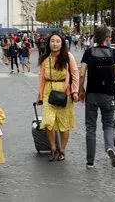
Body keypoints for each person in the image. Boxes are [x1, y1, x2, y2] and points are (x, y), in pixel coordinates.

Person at [78, 26, 115, 169]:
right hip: (108, 94)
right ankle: (109, 147)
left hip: (92, 94)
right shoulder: (113, 53)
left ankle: (90, 161)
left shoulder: (88, 52)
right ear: (107, 39)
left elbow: (81, 74)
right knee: (108, 124)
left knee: (90, 127)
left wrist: (81, 89)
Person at [37, 34, 79, 162]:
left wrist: (75, 91)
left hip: (64, 92)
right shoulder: (45, 59)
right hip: (48, 92)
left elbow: (75, 74)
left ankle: (62, 150)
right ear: (49, 43)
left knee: (63, 124)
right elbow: (42, 78)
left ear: (62, 44)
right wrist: (40, 95)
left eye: (57, 41)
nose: (55, 44)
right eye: (52, 41)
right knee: (48, 123)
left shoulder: (68, 57)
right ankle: (53, 148)